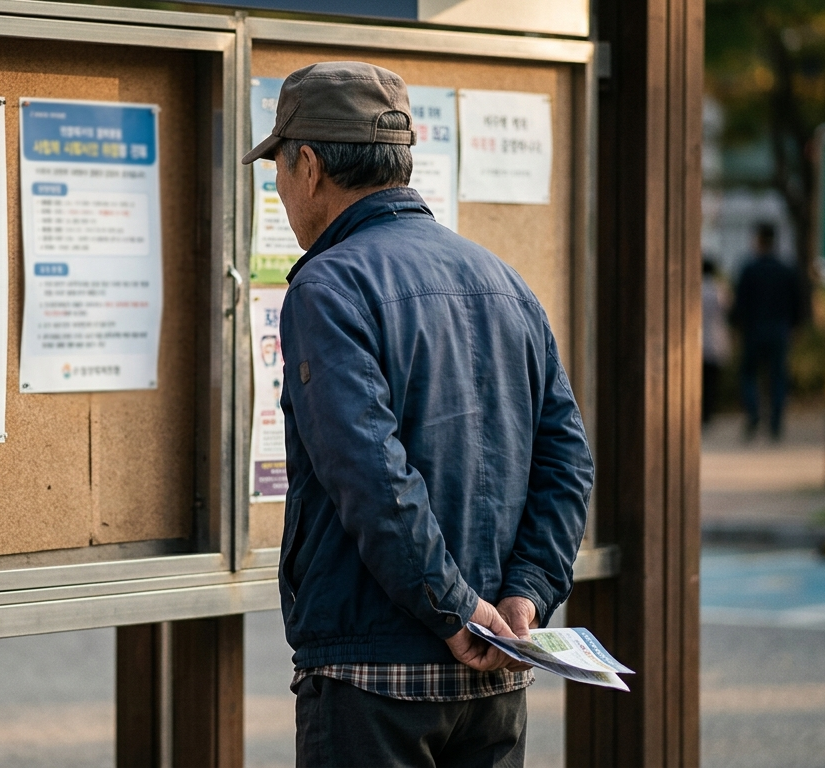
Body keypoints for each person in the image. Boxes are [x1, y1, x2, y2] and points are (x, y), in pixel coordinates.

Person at [242, 62, 593, 768]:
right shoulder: (504, 281)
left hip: (374, 673)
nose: (279, 187)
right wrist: (524, 595)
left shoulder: (329, 284)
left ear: (308, 165)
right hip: (494, 672)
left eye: (278, 165)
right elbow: (568, 463)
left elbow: (371, 476)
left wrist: (454, 608)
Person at [730, 223, 803, 441]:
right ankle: (776, 422)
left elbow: (739, 303)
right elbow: (797, 303)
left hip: (753, 329)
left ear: (759, 240)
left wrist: (736, 327)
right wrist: (794, 328)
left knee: (749, 374)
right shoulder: (786, 269)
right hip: (780, 330)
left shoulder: (749, 269)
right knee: (778, 376)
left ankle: (753, 414)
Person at [701, 258, 732, 424]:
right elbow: (728, 309)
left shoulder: (694, 287)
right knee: (712, 382)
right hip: (715, 340)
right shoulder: (718, 289)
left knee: (699, 380)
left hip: (698, 341)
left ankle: (701, 412)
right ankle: (709, 413)